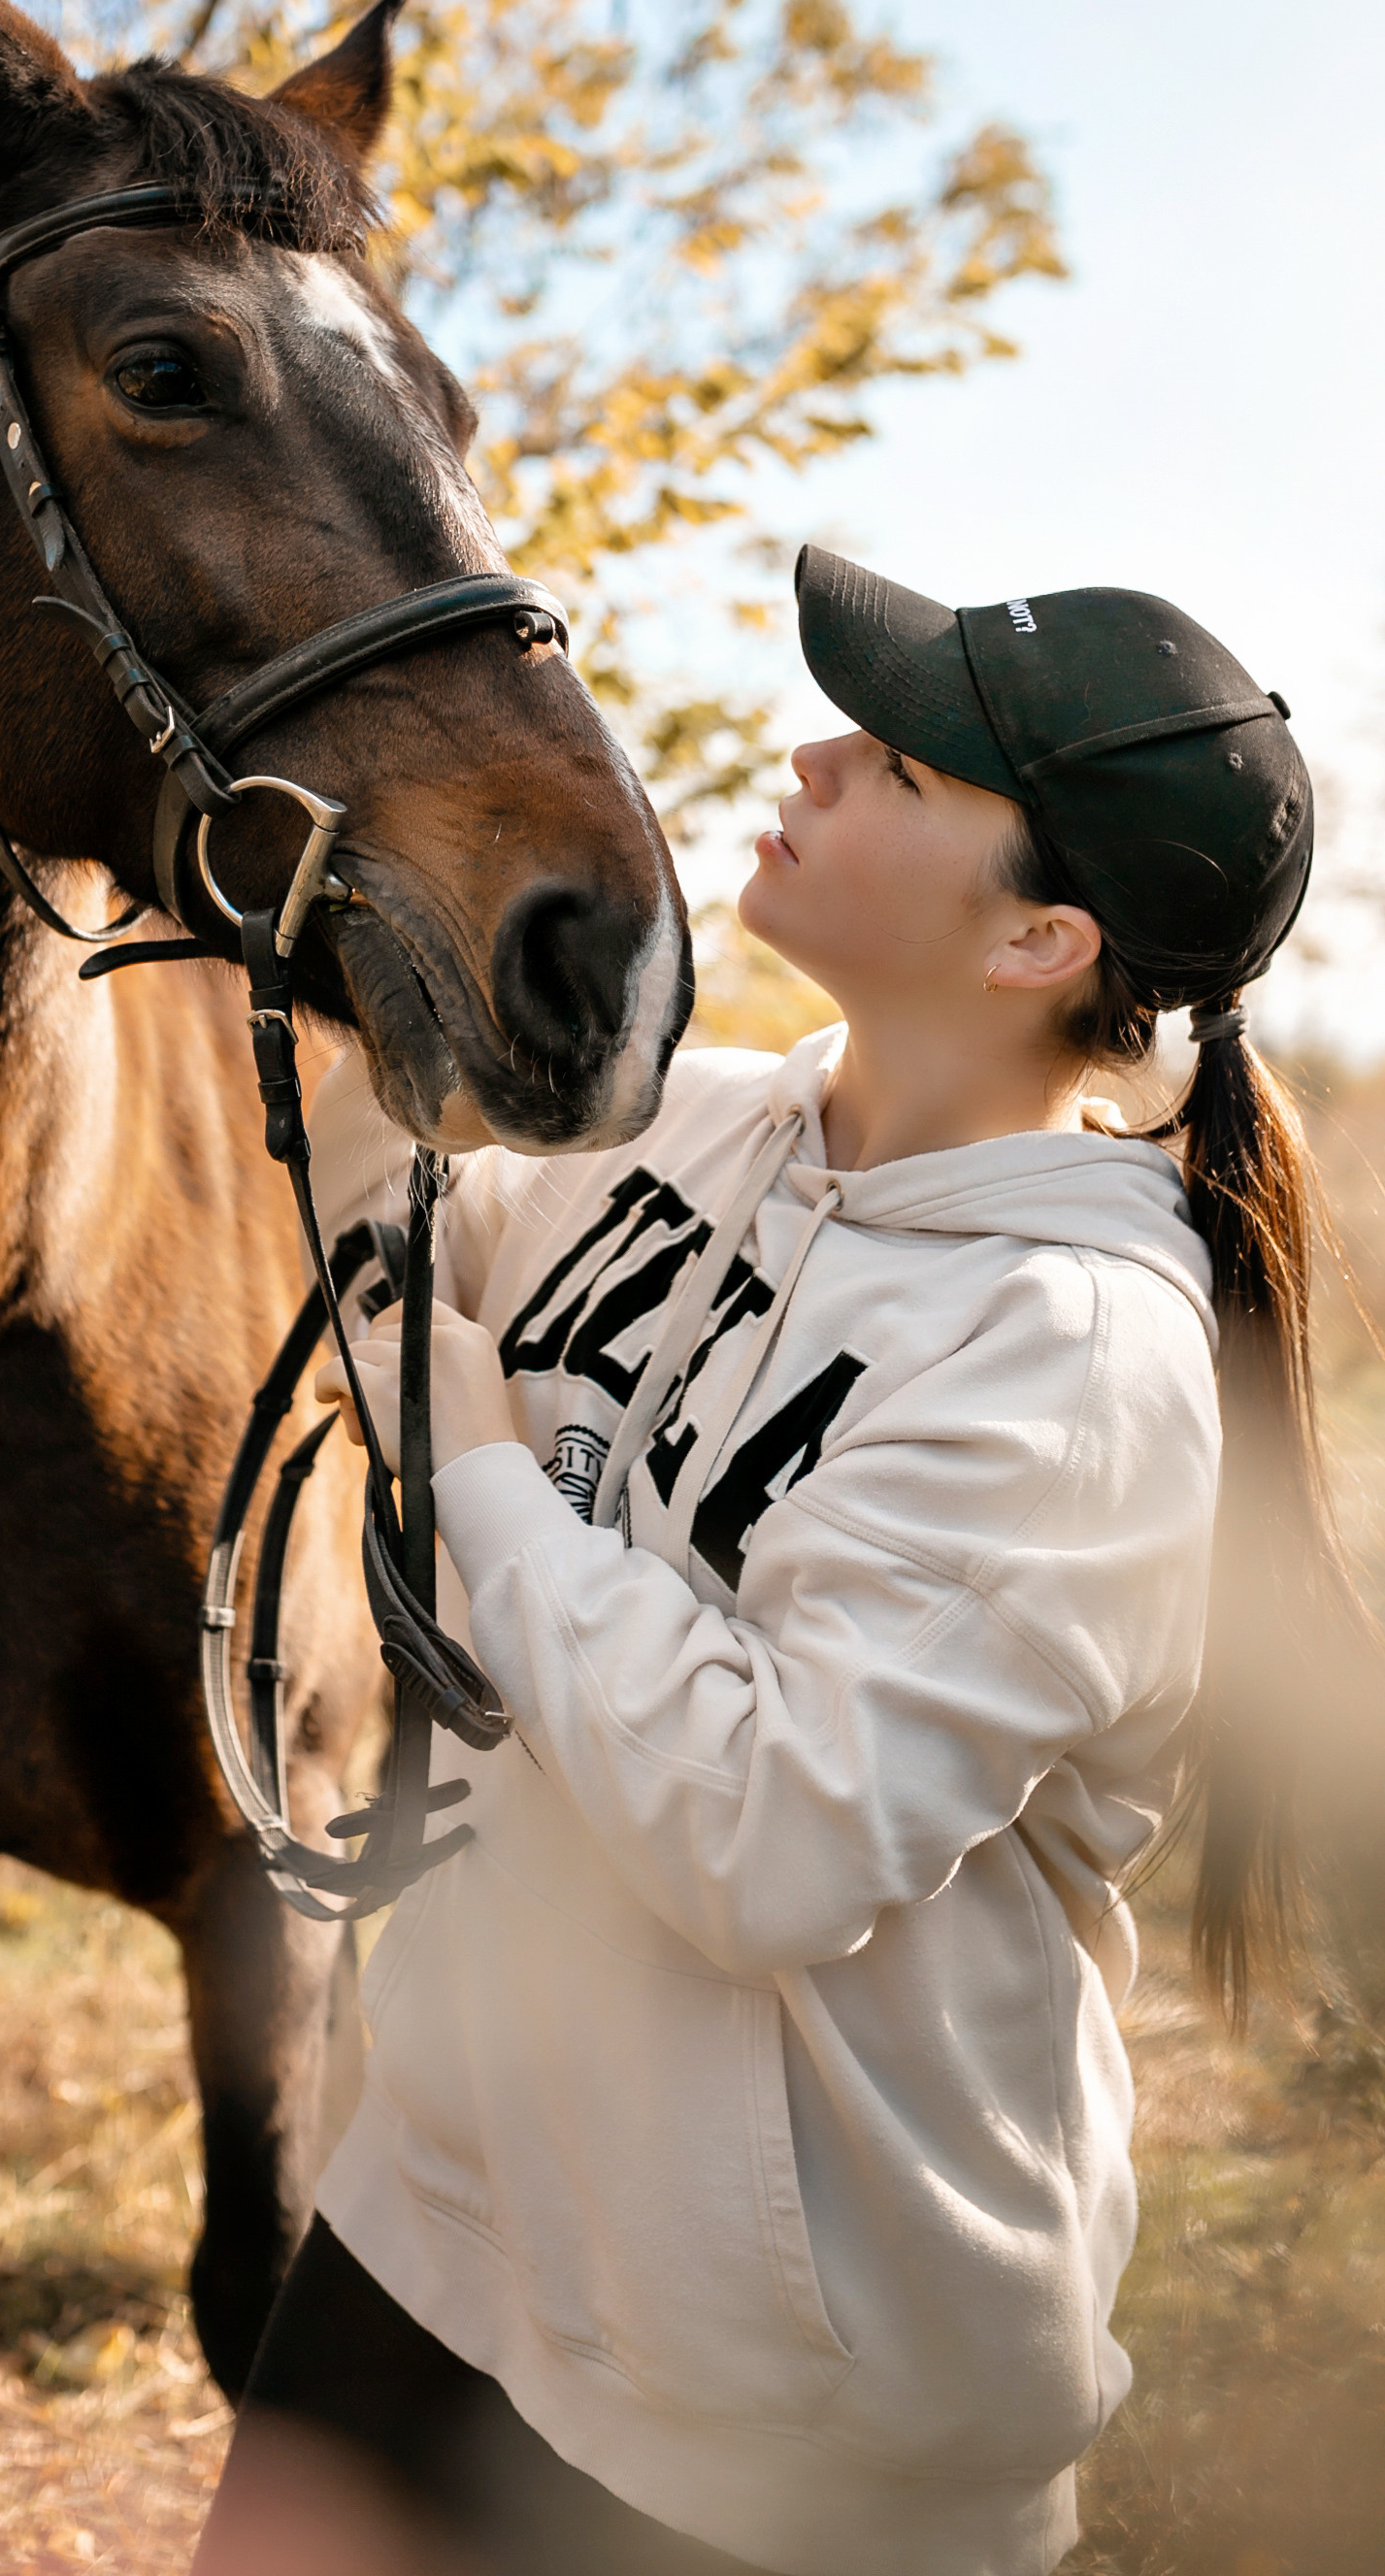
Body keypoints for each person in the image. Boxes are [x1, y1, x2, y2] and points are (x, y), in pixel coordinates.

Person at [193, 547, 1365, 2576]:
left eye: (902, 767)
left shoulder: (1071, 1365)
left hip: (779, 2426)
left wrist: (475, 1465)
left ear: (1040, 941)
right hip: (438, 2224)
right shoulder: (697, 1129)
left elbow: (769, 1840)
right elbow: (396, 1219)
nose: (818, 750)